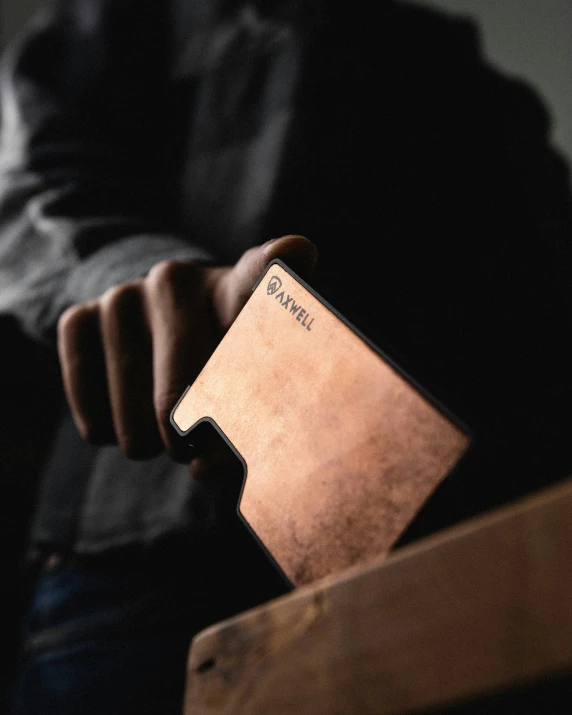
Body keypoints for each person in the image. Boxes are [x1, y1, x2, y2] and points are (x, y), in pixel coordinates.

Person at [1, 1, 571, 712]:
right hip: (140, 582)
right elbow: (26, 184)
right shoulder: (118, 22)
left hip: (450, 578)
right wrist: (139, 279)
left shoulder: (462, 78)